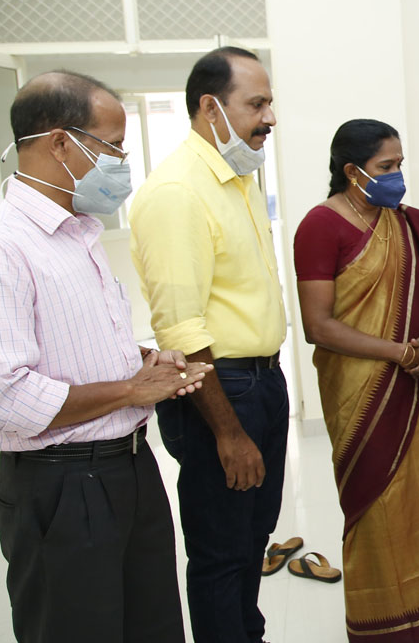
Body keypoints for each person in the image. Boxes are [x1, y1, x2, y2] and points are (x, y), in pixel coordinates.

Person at [0, 71, 211, 643]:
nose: (121, 165)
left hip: (127, 467)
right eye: (112, 147)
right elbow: (2, 398)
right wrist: (131, 391)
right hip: (62, 487)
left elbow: (73, 343)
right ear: (60, 142)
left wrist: (142, 362)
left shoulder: (79, 233)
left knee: (152, 625)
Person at [292, 119, 419, 642]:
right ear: (352, 172)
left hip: (404, 374)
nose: (397, 176)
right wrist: (398, 351)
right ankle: (385, 626)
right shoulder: (320, 226)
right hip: (358, 386)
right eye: (385, 167)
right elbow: (318, 326)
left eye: (399, 165)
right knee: (374, 500)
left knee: (414, 494)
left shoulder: (399, 221)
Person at [129, 47, 288, 643]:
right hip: (220, 389)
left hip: (261, 380)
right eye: (257, 103)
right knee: (222, 551)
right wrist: (226, 431)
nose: (269, 117)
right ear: (210, 107)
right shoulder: (178, 192)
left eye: (269, 101)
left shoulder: (237, 178)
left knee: (251, 540)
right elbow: (181, 328)